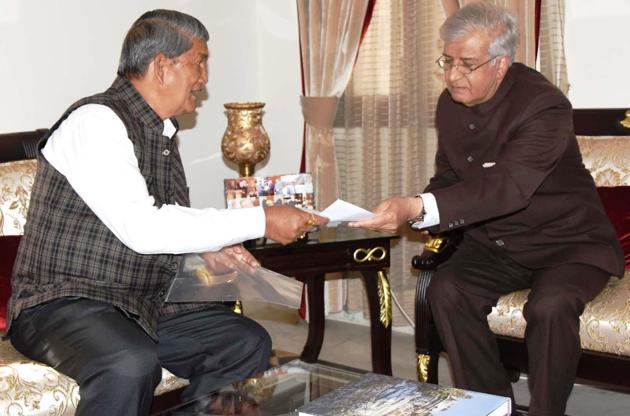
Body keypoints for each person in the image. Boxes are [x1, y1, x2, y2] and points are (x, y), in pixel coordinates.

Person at [7, 9, 327, 416]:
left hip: (141, 303)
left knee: (245, 343)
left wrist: (210, 249)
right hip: (64, 303)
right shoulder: (96, 122)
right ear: (162, 67)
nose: (204, 78)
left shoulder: (162, 133)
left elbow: (167, 221)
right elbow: (142, 228)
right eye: (199, 63)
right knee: (129, 362)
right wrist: (262, 218)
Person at [350, 3, 624, 416]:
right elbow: (450, 175)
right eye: (447, 61)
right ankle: (493, 407)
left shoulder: (545, 106)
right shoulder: (451, 102)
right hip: (496, 244)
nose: (452, 75)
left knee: (550, 307)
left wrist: (419, 206)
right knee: (447, 290)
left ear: (501, 64)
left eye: (467, 64)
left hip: (567, 243)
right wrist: (416, 208)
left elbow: (508, 187)